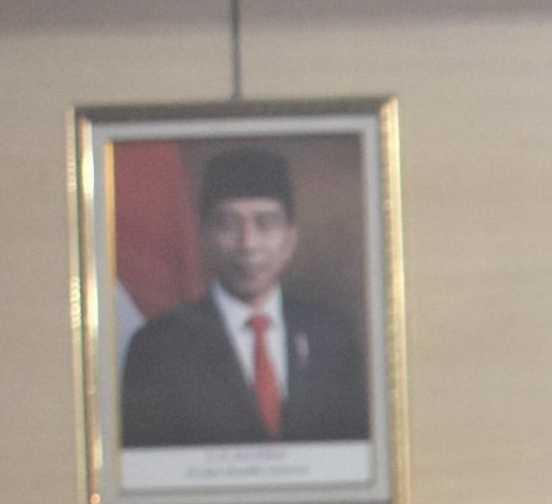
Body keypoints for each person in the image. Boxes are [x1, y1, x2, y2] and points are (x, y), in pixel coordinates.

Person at [118, 144, 369, 450]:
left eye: (265, 224)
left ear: (290, 239)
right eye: (228, 224)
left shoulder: (332, 335)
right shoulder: (158, 346)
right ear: (204, 237)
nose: (248, 244)